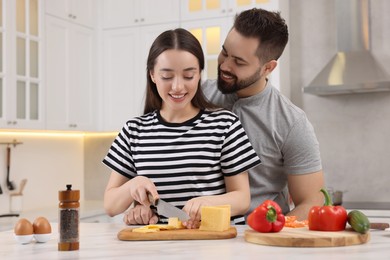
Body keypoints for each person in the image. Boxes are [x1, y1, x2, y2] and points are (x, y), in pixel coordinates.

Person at [102, 28, 261, 228]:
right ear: (152, 75)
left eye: (188, 76)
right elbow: (110, 206)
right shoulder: (133, 131)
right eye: (167, 76)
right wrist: (134, 188)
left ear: (199, 74)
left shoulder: (225, 125)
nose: (177, 87)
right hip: (161, 246)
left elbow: (242, 198)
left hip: (215, 245)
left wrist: (209, 203)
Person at [201, 8, 325, 220]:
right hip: (198, 233)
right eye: (224, 52)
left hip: (256, 238)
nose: (225, 65)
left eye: (239, 62)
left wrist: (271, 233)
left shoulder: (291, 122)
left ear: (268, 67)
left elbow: (311, 202)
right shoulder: (197, 96)